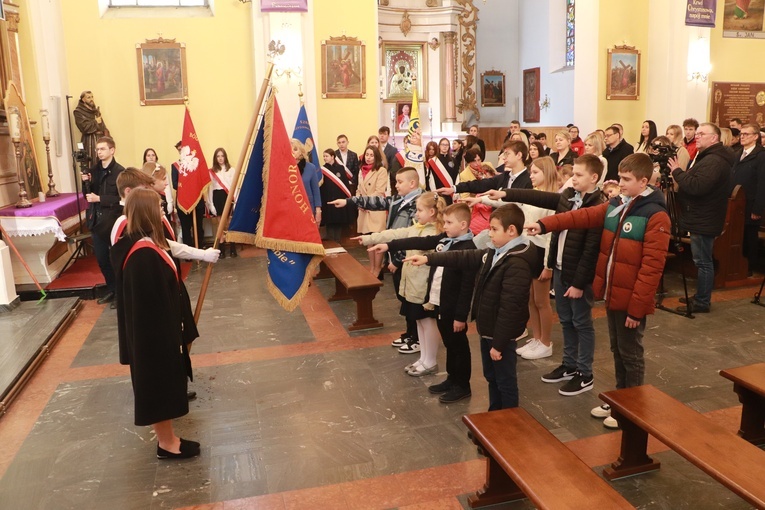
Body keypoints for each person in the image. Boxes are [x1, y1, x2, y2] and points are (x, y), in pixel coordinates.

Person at [526, 153, 670, 428]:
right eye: (620, 177)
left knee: (631, 353)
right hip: (615, 292)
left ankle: (632, 408)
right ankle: (619, 399)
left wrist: (637, 309)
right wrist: (544, 224)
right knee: (618, 350)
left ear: (644, 181)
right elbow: (582, 216)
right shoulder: (618, 204)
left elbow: (652, 270)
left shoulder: (655, 215)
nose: (620, 184)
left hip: (632, 299)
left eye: (627, 180)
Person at [485, 154, 608, 396]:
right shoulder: (570, 197)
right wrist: (507, 194)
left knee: (581, 322)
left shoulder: (597, 206)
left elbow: (591, 249)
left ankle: (585, 373)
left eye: (578, 175)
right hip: (561, 267)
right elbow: (541, 197)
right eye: (572, 174)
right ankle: (570, 364)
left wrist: (580, 283)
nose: (573, 179)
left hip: (577, 275)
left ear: (594, 177)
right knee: (565, 319)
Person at [407, 204, 535, 410]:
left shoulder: (517, 262)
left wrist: (499, 343)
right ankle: (495, 416)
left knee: (505, 382)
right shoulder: (496, 251)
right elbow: (464, 256)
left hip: (499, 335)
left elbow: (511, 308)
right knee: (492, 378)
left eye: (494, 229)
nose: (488, 233)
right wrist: (428, 258)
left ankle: (509, 426)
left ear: (511, 230)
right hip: (488, 329)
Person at [110, 188, 200, 459]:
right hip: (153, 337)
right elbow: (146, 306)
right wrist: (168, 336)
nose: (163, 210)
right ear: (146, 211)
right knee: (158, 387)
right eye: (159, 207)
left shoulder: (144, 243)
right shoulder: (141, 254)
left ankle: (169, 438)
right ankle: (167, 445)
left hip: (159, 332)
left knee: (164, 386)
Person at [374, 203, 478, 402]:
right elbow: (420, 240)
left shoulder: (468, 249)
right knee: (448, 343)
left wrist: (460, 316)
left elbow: (466, 288)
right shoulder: (446, 240)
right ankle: (452, 378)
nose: (444, 226)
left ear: (463, 224)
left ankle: (463, 385)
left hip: (454, 308)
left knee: (459, 346)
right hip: (439, 302)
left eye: (449, 222)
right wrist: (389, 245)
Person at [469, 156, 559, 360]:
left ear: (548, 173)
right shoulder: (533, 194)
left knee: (542, 301)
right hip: (529, 251)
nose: (532, 176)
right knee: (530, 300)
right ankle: (536, 338)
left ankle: (546, 341)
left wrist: (548, 266)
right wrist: (481, 199)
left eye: (536, 172)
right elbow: (509, 200)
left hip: (542, 254)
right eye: (531, 172)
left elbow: (552, 235)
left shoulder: (551, 198)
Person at [329, 167, 423, 353]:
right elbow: (376, 201)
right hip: (397, 257)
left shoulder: (420, 205)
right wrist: (348, 201)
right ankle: (410, 333)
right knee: (403, 298)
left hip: (410, 260)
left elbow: (414, 237)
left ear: (412, 183)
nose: (395, 186)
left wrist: (398, 260)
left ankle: (418, 338)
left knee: (413, 300)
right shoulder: (399, 200)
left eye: (399, 182)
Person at [357, 193, 446, 376]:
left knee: (428, 322)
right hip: (413, 285)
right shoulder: (418, 227)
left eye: (420, 210)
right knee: (419, 321)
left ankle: (430, 360)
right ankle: (423, 358)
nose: (416, 214)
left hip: (424, 287)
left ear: (431, 211)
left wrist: (390, 246)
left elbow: (411, 242)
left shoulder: (434, 233)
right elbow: (396, 233)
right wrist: (369, 238)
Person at [669, 123, 735, 314]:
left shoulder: (714, 161)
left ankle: (702, 301)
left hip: (705, 217)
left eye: (701, 134)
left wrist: (677, 172)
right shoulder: (709, 157)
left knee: (703, 262)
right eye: (696, 133)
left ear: (714, 138)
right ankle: (700, 297)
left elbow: (697, 186)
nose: (696, 136)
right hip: (702, 215)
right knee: (701, 260)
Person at [82, 136, 124, 306]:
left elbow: (121, 198)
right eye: (98, 149)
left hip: (113, 220)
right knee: (101, 258)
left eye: (103, 149)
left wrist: (99, 198)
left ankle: (121, 293)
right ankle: (111, 288)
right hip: (96, 220)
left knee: (116, 257)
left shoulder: (120, 172)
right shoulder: (93, 171)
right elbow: (86, 194)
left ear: (112, 150)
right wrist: (85, 182)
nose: (99, 152)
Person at [730, 123, 765, 275]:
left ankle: (749, 267)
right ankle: (736, 265)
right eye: (741, 134)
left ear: (756, 136)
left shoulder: (761, 155)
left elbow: (762, 184)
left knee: (749, 237)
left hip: (751, 203)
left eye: (746, 134)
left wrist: (758, 209)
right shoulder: (737, 153)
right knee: (737, 235)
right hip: (737, 203)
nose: (742, 136)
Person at [354, 145, 389, 277]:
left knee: (377, 240)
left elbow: (379, 191)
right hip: (364, 210)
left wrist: (366, 203)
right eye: (367, 155)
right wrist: (358, 202)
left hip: (375, 209)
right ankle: (372, 268)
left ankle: (378, 269)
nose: (368, 158)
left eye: (371, 155)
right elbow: (358, 189)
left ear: (376, 157)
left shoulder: (381, 171)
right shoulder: (361, 171)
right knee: (368, 240)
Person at [207, 148, 237, 258]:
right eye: (218, 156)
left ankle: (233, 247)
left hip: (228, 197)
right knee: (220, 225)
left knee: (229, 223)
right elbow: (210, 189)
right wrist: (211, 204)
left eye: (222, 156)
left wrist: (236, 199)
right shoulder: (212, 171)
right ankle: (222, 249)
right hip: (217, 197)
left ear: (225, 157)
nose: (220, 158)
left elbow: (235, 186)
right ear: (215, 158)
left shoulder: (231, 170)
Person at [320, 148, 353, 242]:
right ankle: (332, 244)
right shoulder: (322, 169)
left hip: (339, 200)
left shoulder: (340, 168)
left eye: (326, 156)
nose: (325, 158)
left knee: (338, 223)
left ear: (332, 157)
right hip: (328, 200)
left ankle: (337, 243)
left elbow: (345, 185)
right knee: (330, 224)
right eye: (324, 156)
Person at [73, 91, 110, 166]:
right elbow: (83, 127)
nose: (91, 99)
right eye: (88, 97)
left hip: (100, 139)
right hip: (89, 141)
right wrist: (95, 122)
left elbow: (102, 124)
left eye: (92, 97)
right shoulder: (78, 112)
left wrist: (107, 137)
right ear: (83, 100)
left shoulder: (95, 110)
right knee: (92, 163)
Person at [291, 139, 322, 225]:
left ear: (301, 151)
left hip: (307, 208)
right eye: (289, 149)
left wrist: (318, 211)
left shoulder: (310, 167)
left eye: (295, 149)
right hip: (290, 210)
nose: (292, 151)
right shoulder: (285, 168)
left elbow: (316, 191)